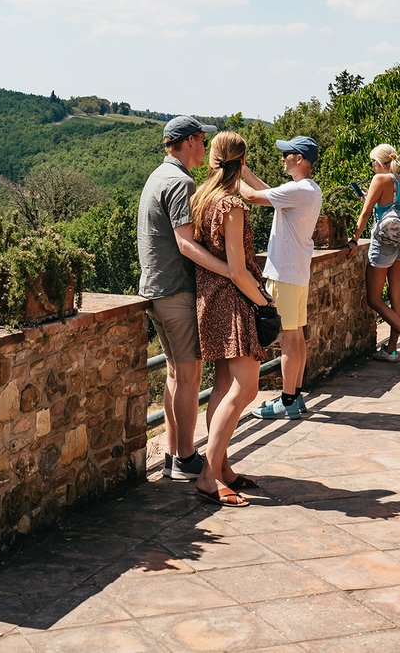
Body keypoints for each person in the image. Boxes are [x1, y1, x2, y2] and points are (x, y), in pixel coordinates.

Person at [137, 116, 229, 482]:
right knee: (190, 376)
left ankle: (175, 454)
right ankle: (187, 457)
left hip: (155, 289)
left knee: (176, 375)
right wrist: (227, 269)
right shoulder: (181, 182)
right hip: (176, 289)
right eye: (201, 139)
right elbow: (185, 243)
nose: (205, 146)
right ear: (189, 141)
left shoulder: (157, 176)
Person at [191, 131, 273, 506]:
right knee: (247, 388)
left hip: (208, 299)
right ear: (242, 163)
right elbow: (239, 270)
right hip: (233, 301)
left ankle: (222, 468)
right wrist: (264, 304)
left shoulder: (200, 199)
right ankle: (209, 476)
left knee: (223, 386)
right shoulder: (231, 206)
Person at [241, 136, 323, 418]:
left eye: (287, 154)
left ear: (299, 159)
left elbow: (252, 197)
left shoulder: (297, 190)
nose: (282, 158)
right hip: (297, 272)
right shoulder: (308, 190)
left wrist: (229, 172)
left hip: (284, 273)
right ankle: (296, 396)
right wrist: (243, 170)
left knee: (288, 340)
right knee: (296, 336)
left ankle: (287, 401)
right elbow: (269, 192)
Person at [352, 144, 400, 362]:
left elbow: (366, 212)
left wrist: (354, 239)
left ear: (379, 162)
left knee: (374, 298)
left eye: (373, 162)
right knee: (394, 297)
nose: (372, 166)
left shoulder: (380, 179)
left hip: (383, 243)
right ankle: (391, 349)